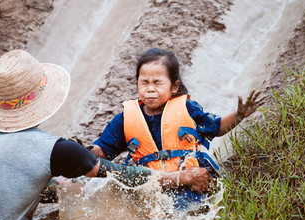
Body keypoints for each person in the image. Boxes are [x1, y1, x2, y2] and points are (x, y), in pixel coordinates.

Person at [0, 50, 213, 220]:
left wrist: (72, 188)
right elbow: (125, 176)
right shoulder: (55, 149)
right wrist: (182, 177)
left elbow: (15, 190)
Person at [91, 48, 265, 208]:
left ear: (174, 87)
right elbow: (102, 151)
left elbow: (217, 127)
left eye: (157, 83)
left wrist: (239, 115)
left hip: (190, 183)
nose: (150, 89)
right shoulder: (125, 119)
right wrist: (80, 149)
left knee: (184, 215)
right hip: (148, 188)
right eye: (144, 83)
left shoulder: (187, 109)